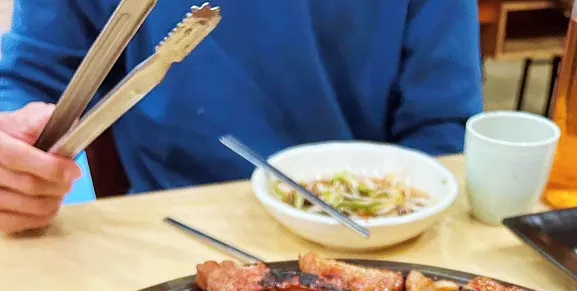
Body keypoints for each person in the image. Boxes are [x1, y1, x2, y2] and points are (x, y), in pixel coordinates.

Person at [0, 0, 482, 234]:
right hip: (169, 228)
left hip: (373, 237)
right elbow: (28, 78)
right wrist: (18, 165)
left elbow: (442, 128)